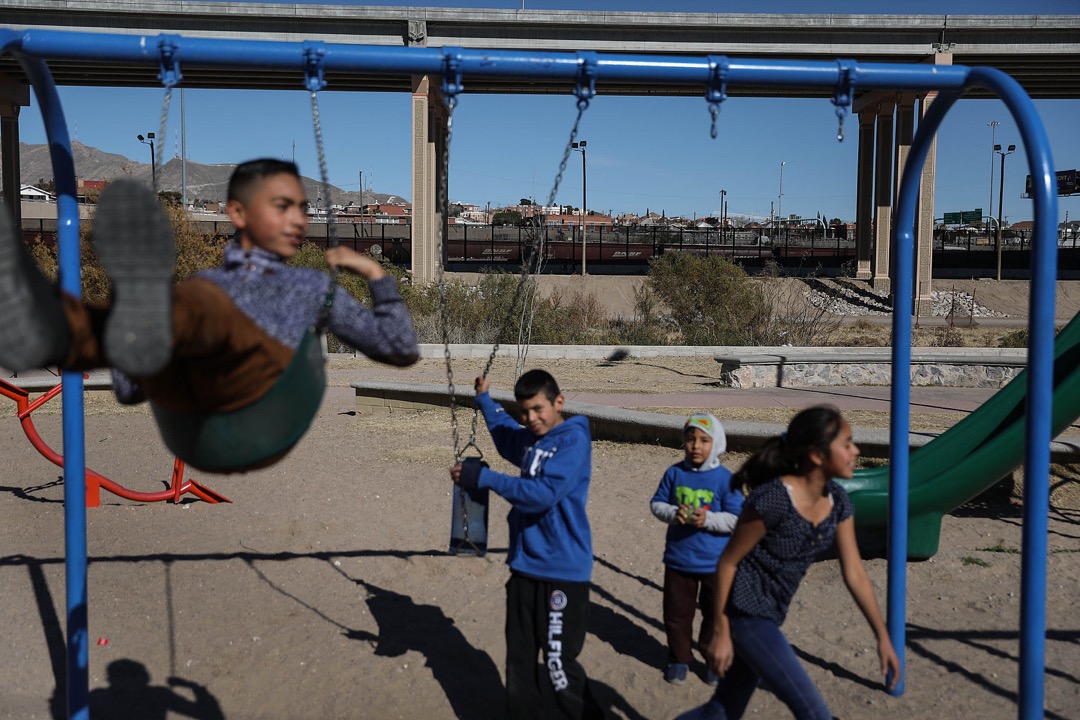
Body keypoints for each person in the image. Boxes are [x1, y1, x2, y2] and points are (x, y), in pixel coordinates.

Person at [0, 159, 418, 469]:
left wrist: (374, 273)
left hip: (261, 409)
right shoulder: (234, 288)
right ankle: (55, 328)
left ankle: (77, 325)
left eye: (302, 208)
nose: (298, 219)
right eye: (282, 206)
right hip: (193, 418)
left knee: (200, 310)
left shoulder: (300, 289)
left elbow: (400, 349)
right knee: (184, 313)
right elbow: (129, 388)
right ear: (237, 213)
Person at [677, 405, 900, 720]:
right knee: (814, 713)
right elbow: (727, 563)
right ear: (817, 455)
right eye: (847, 443)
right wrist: (721, 629)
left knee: (722, 710)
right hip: (745, 615)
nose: (856, 451)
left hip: (771, 614)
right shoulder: (773, 499)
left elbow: (855, 573)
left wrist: (882, 637)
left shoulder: (838, 502)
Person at [450, 370, 604, 720]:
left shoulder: (572, 442)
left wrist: (485, 478)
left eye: (538, 409)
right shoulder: (532, 440)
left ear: (558, 402)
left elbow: (544, 495)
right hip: (523, 568)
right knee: (519, 665)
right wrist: (485, 399)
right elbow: (507, 437)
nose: (531, 419)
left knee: (558, 666)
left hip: (562, 572)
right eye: (525, 412)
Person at [650, 413, 743, 686]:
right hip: (679, 561)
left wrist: (709, 519)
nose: (696, 445)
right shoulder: (674, 473)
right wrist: (672, 513)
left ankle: (712, 658)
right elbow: (656, 504)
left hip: (716, 564)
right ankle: (679, 659)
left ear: (717, 444)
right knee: (676, 616)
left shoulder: (726, 480)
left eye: (704, 440)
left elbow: (738, 519)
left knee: (716, 615)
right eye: (690, 439)